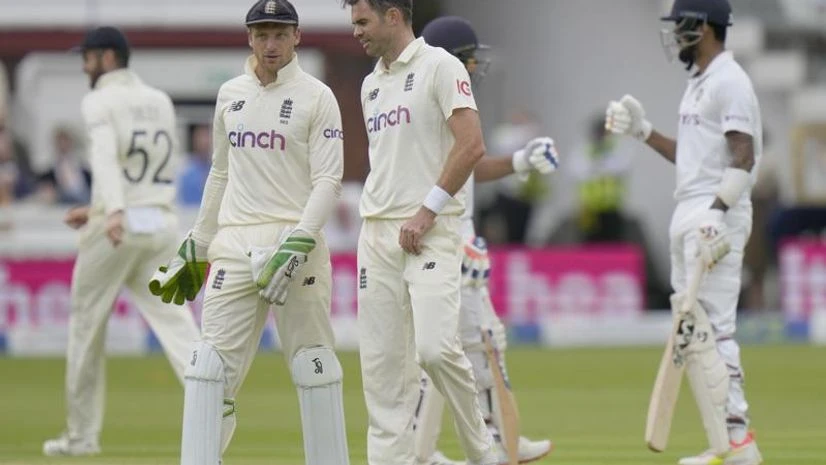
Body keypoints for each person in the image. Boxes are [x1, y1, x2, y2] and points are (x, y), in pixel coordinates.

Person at [149, 1, 350, 464]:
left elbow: (329, 180)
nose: (270, 44)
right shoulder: (230, 94)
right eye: (262, 34)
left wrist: (299, 240)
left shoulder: (317, 96)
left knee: (313, 367)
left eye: (280, 34)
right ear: (249, 38)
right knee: (206, 370)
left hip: (295, 243)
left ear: (297, 36)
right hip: (235, 242)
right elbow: (220, 172)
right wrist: (198, 243)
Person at [344, 1, 506, 464]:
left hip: (429, 231)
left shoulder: (441, 65)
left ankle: (482, 452)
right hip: (377, 237)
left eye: (362, 22)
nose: (356, 32)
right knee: (383, 377)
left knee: (435, 350)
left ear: (393, 16)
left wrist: (426, 213)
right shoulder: (370, 84)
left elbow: (471, 145)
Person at [605, 0, 763, 464]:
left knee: (715, 331)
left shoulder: (731, 82)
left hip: (716, 218)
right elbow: (695, 158)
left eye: (681, 27)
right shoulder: (698, 83)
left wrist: (718, 211)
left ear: (704, 27)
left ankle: (738, 443)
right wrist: (643, 131)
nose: (675, 36)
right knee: (696, 336)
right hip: (691, 210)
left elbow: (744, 156)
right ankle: (725, 444)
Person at [42, 26, 200, 456]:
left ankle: (81, 438)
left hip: (119, 226)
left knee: (86, 329)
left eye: (88, 57)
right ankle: (214, 409)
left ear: (108, 57)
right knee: (179, 325)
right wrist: (98, 208)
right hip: (161, 225)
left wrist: (109, 212)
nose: (84, 65)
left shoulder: (98, 100)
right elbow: (143, 174)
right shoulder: (160, 100)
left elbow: (108, 159)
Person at [413, 16, 555, 465]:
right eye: (471, 59)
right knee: (465, 345)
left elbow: (470, 165)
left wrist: (520, 160)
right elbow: (434, 179)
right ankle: (475, 444)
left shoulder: (451, 101)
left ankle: (476, 441)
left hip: (459, 236)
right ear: (453, 60)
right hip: (443, 242)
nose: (476, 68)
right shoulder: (429, 104)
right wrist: (456, 242)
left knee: (470, 344)